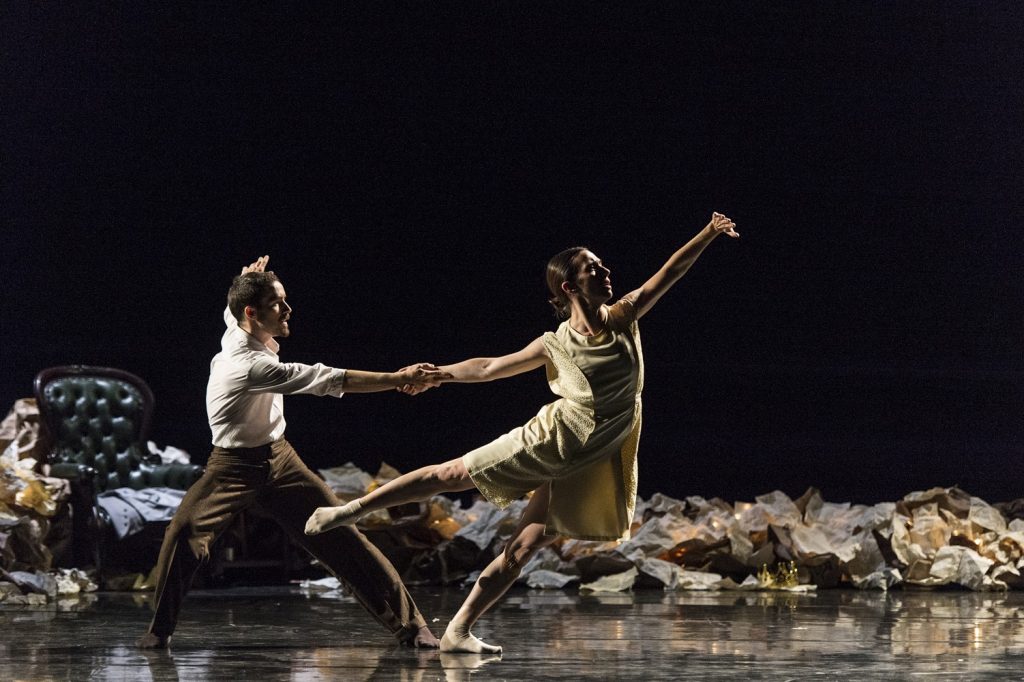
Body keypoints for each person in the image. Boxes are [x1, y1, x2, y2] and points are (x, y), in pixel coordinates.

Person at [305, 213, 740, 653]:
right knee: (452, 475)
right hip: (555, 438)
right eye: (594, 268)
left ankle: (457, 632)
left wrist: (707, 233)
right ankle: (349, 512)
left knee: (523, 548)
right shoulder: (555, 344)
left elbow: (671, 271)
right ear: (569, 288)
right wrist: (439, 375)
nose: (606, 273)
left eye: (603, 266)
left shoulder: (625, 316)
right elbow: (489, 368)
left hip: (593, 457)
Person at [137, 255, 449, 649]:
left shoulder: (237, 326)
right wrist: (398, 378)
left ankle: (413, 627)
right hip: (232, 466)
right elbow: (330, 379)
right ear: (252, 314)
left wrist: (248, 278)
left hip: (282, 461)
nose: (288, 310)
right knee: (183, 534)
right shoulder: (248, 365)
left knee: (343, 536)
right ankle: (158, 631)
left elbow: (232, 308)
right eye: (277, 303)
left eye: (284, 300)